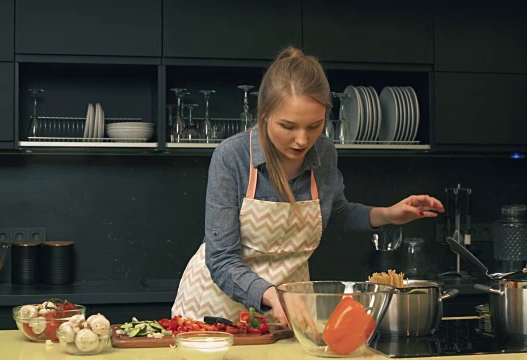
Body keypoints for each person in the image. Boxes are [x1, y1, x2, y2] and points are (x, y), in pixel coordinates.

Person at [171, 46, 444, 327]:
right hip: (215, 309)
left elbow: (335, 213)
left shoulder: (324, 153)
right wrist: (270, 294)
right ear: (264, 114)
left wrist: (388, 215)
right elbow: (222, 258)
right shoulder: (233, 157)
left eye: (314, 126)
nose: (302, 140)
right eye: (288, 126)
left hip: (290, 308)